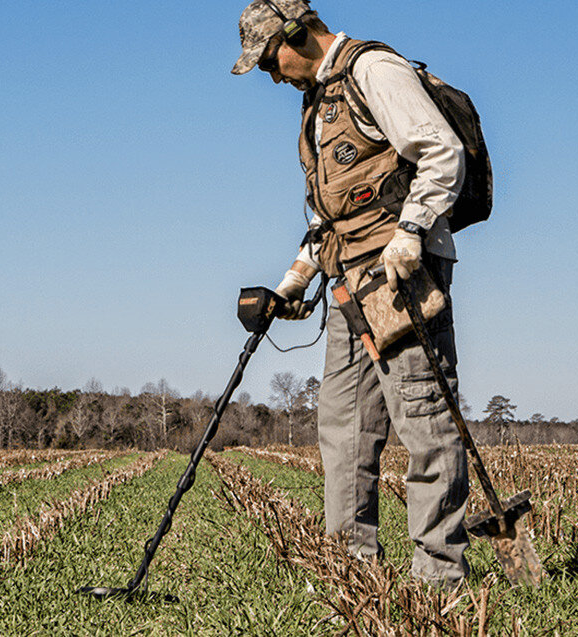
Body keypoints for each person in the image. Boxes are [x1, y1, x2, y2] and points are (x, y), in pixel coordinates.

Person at [232, 0, 471, 588]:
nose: (268, 74)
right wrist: (293, 282)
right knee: (344, 428)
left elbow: (442, 151)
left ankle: (440, 580)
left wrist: (412, 232)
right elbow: (331, 216)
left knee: (424, 420)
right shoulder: (319, 102)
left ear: (297, 34)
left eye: (268, 60)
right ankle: (352, 572)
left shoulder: (373, 71)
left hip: (400, 279)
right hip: (347, 284)